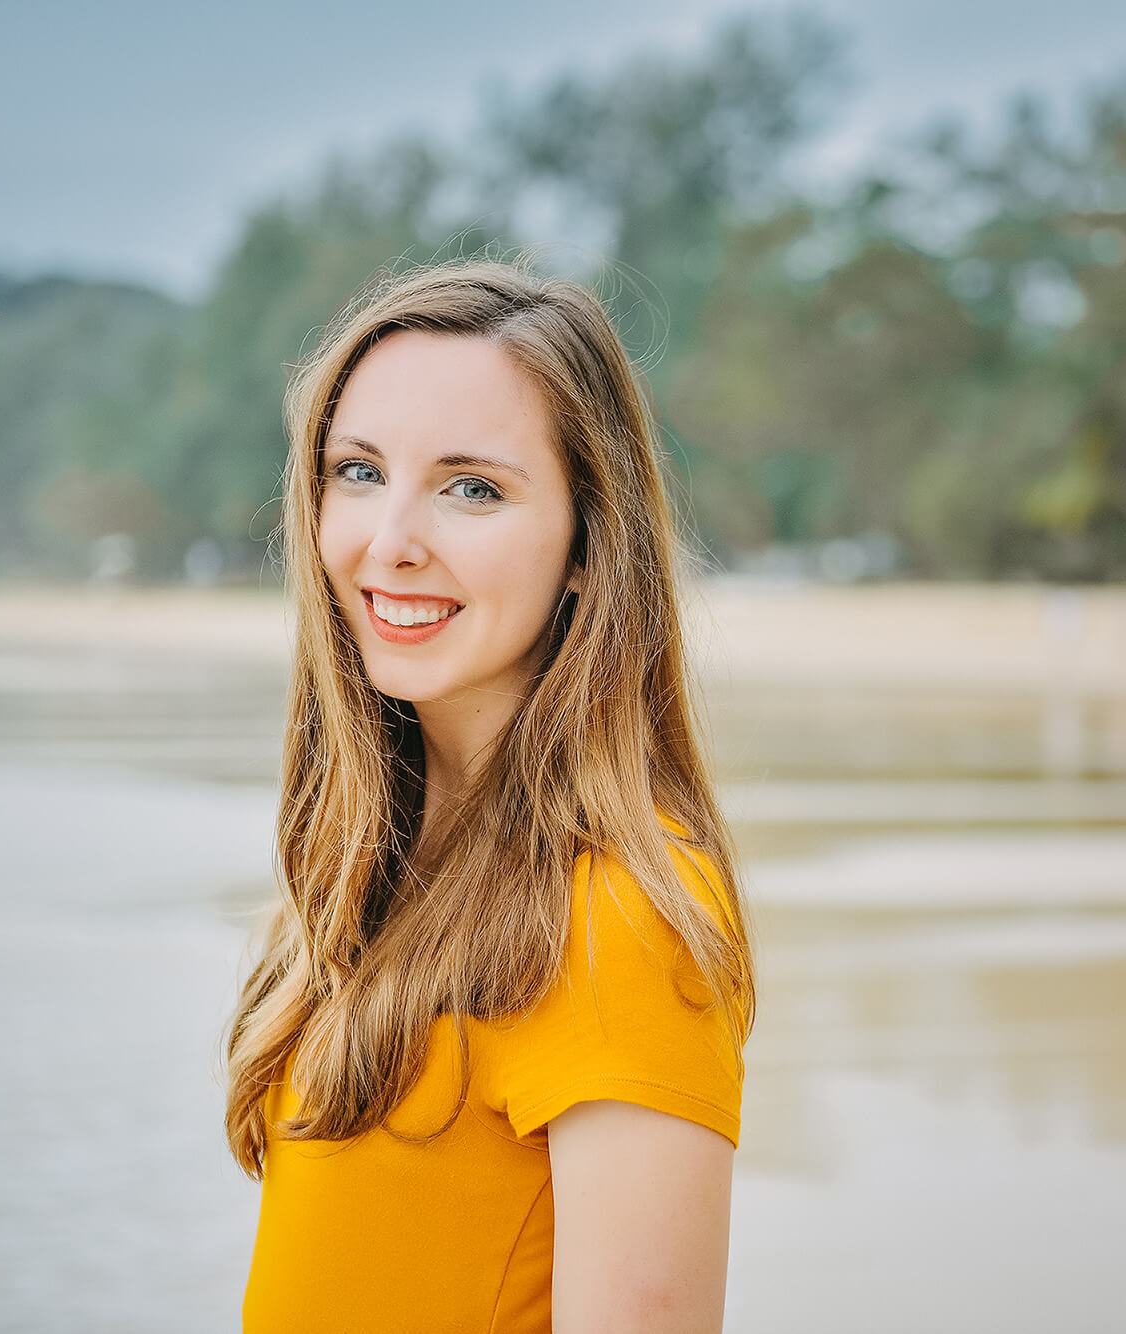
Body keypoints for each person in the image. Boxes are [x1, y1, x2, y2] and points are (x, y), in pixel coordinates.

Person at [222, 256, 756, 1333]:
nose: (392, 542)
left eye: (473, 487)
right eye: (358, 471)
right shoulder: (375, 870)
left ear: (584, 546)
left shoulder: (618, 914)